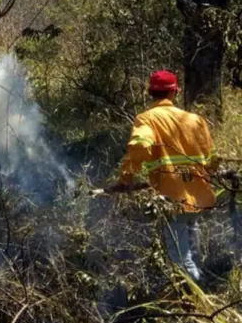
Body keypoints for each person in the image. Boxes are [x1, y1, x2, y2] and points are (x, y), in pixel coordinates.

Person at [93, 70, 218, 281]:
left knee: (179, 258)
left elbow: (140, 146)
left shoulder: (147, 119)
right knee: (190, 245)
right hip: (199, 195)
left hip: (172, 198)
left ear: (151, 92)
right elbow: (212, 157)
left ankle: (194, 297)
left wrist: (127, 178)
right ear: (174, 92)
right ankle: (203, 285)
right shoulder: (195, 120)